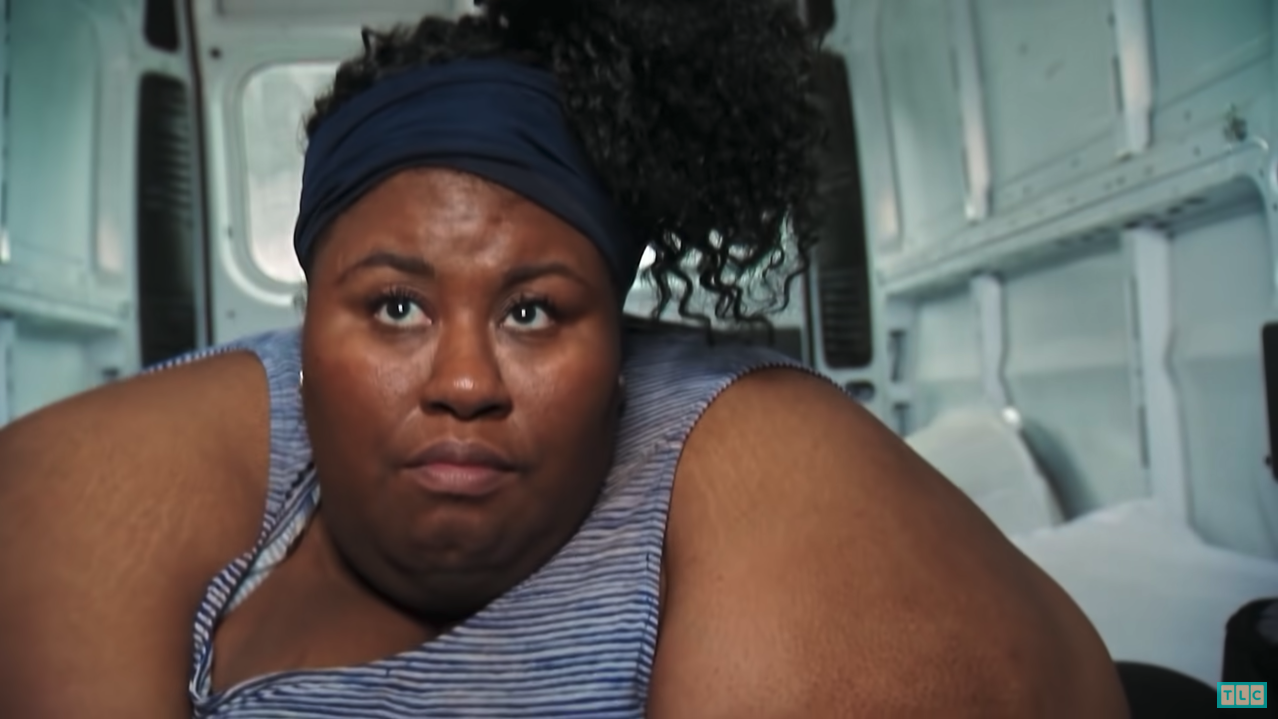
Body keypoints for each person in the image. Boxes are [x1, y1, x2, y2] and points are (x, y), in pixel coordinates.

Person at [0, 0, 1129, 716]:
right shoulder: (196, 487)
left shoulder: (751, 460)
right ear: (302, 326)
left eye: (535, 312)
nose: (463, 379)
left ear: (621, 340)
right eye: (393, 304)